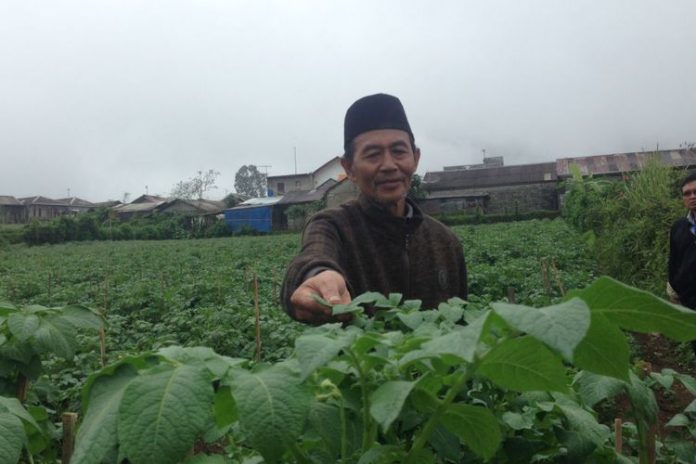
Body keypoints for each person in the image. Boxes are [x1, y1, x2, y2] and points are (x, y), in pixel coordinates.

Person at [281, 93, 467, 324]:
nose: (389, 165)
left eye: (399, 151)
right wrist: (318, 278)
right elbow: (314, 256)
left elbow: (461, 330)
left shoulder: (445, 241)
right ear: (349, 167)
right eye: (373, 155)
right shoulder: (333, 226)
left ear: (415, 158)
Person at [668, 171, 696, 310]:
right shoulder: (678, 227)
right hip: (686, 304)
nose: (692, 196)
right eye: (687, 193)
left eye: (695, 191)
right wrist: (675, 294)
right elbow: (673, 264)